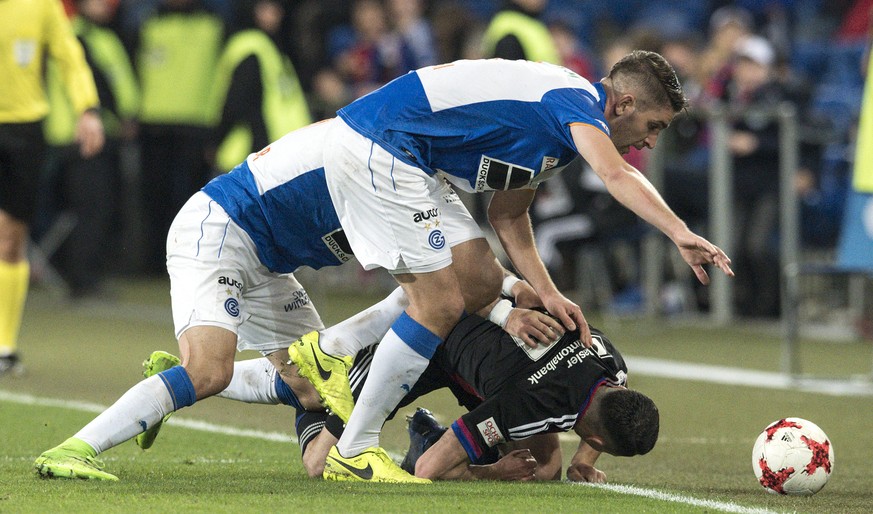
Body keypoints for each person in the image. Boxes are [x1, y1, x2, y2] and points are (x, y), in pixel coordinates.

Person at [288, 51, 733, 483]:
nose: (651, 141)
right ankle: (335, 386)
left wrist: (549, 292)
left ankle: (325, 364)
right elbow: (616, 174)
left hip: (405, 154)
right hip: (384, 143)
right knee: (442, 302)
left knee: (472, 282)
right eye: (653, 126)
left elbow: (508, 215)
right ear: (626, 104)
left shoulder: (552, 134)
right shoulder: (573, 103)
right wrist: (679, 232)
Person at [32, 118, 518, 481]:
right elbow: (431, 285)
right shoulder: (379, 169)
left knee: (310, 387)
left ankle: (169, 382)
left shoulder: (398, 166)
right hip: (220, 230)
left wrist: (505, 294)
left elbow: (452, 266)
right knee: (209, 369)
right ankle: (73, 450)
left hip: (264, 258)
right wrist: (500, 304)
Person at [136, 283, 651, 483]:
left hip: (488, 350)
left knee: (546, 470)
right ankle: (189, 380)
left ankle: (436, 430)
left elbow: (602, 412)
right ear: (602, 436)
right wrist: (483, 473)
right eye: (597, 447)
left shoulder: (611, 365)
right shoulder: (529, 404)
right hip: (432, 338)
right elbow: (427, 472)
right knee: (320, 448)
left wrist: (582, 462)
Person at [0, 0, 104, 376]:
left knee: (11, 241)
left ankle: (4, 347)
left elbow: (69, 56)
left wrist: (87, 109)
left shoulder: (41, 5)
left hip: (24, 130)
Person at [39, 0, 140, 299]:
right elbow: (100, 86)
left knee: (93, 208)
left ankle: (87, 274)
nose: (109, 4)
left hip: (97, 132)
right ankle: (82, 279)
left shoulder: (102, 35)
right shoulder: (75, 36)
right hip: (81, 136)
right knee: (91, 208)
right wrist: (121, 117)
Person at [134, 0, 224, 273]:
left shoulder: (214, 25)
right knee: (153, 197)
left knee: (192, 200)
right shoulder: (146, 22)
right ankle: (154, 262)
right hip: (153, 123)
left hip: (196, 124)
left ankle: (188, 260)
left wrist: (217, 128)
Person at [210, 0, 311, 173]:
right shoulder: (251, 47)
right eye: (267, 7)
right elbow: (238, 101)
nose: (276, 14)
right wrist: (215, 141)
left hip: (272, 154)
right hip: (249, 155)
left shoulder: (271, 47)